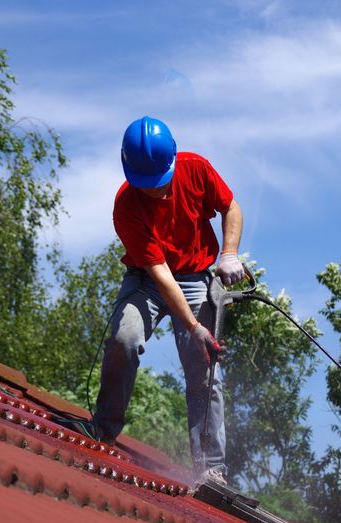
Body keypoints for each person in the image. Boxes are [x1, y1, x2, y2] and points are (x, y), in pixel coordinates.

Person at [92, 115, 244, 486]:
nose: (156, 191)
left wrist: (229, 253)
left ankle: (210, 468)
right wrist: (193, 327)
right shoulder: (126, 207)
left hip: (195, 276)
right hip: (148, 279)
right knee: (124, 338)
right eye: (148, 186)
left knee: (204, 365)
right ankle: (104, 432)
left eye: (161, 183)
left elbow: (231, 207)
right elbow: (160, 275)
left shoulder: (196, 169)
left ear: (173, 163)